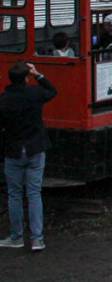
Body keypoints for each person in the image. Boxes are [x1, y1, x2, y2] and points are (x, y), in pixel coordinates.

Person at [0, 62, 57, 251]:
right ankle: (37, 239)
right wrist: (38, 74)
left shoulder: (4, 99)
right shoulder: (35, 94)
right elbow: (52, 91)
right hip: (35, 148)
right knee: (34, 193)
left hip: (14, 150)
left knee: (14, 195)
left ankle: (16, 237)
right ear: (27, 77)